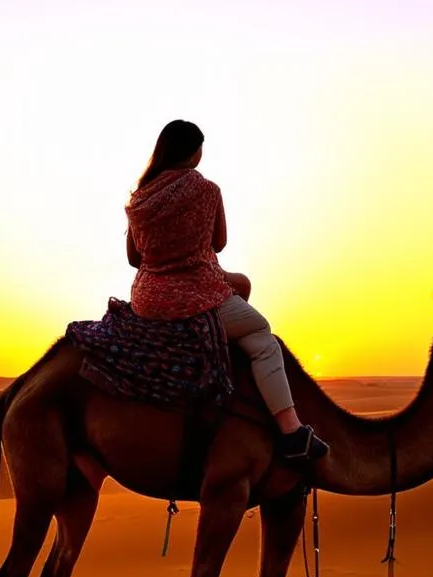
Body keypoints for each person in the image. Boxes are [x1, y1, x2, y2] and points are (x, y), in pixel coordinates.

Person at [125, 119, 329, 462]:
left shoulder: (140, 197)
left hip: (147, 298)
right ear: (193, 153)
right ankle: (291, 430)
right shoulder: (205, 189)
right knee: (261, 334)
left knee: (241, 285)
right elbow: (218, 243)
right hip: (191, 293)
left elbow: (134, 258)